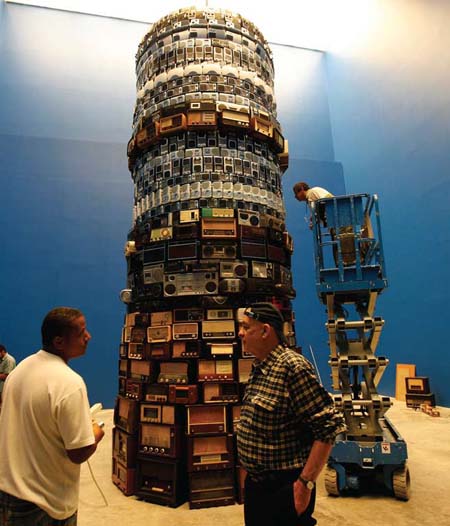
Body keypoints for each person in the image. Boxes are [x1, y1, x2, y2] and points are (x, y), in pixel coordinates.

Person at [237, 302, 346, 526]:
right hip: (258, 486)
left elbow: (328, 427)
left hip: (284, 488)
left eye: (246, 327)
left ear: (265, 331)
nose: (240, 333)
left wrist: (305, 484)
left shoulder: (293, 368)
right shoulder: (260, 366)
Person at [0, 307, 105, 526]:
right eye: (81, 333)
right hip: (47, 505)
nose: (88, 337)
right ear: (59, 342)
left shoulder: (20, 370)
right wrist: (95, 433)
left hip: (9, 494)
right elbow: (78, 452)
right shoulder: (70, 383)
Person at [0, 344, 16, 409]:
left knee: (5, 407)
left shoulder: (9, 360)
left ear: (3, 351)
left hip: (6, 388)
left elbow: (7, 376)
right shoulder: (1, 359)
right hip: (1, 388)